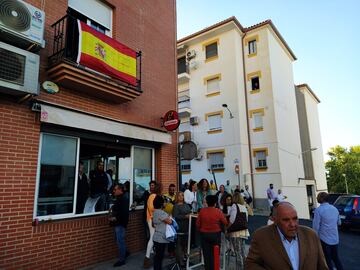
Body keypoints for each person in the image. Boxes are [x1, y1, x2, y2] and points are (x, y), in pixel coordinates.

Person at [245, 202, 328, 270]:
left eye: (295, 218)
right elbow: (250, 264)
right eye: (286, 220)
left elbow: (322, 266)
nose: (292, 224)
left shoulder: (311, 235)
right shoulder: (261, 237)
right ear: (275, 220)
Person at [313, 192, 344, 270]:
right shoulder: (334, 209)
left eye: (318, 197)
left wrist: (314, 238)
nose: (317, 198)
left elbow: (316, 227)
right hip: (335, 239)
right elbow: (339, 223)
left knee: (327, 259)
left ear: (321, 199)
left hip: (324, 239)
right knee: (336, 258)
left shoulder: (318, 210)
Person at [196, 195, 228, 270]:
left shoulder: (202, 211)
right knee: (215, 254)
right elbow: (225, 222)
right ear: (215, 203)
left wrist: (201, 229)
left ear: (206, 202)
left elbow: (197, 224)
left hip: (204, 234)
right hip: (216, 234)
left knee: (206, 254)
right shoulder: (218, 211)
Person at [227, 192, 250, 270]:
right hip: (244, 231)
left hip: (236, 232)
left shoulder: (234, 206)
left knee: (237, 252)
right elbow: (246, 219)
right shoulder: (244, 207)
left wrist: (227, 228)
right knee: (243, 251)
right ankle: (246, 267)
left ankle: (239, 268)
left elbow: (232, 220)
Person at [110, 184, 130, 267]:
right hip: (118, 223)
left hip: (120, 224)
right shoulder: (119, 199)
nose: (114, 191)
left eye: (115, 189)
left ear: (120, 190)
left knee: (120, 241)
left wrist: (115, 218)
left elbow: (124, 213)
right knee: (118, 239)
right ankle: (125, 252)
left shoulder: (123, 199)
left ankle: (122, 259)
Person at [152, 195, 173, 270]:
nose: (165, 203)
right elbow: (170, 222)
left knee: (158, 257)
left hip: (157, 237)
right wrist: (169, 216)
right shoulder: (160, 213)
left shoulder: (155, 212)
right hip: (160, 238)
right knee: (159, 257)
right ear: (161, 203)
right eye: (164, 202)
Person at [143, 183, 161, 268]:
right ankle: (147, 258)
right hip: (152, 219)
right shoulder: (152, 196)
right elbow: (151, 208)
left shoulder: (153, 195)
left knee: (153, 237)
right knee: (152, 238)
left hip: (152, 218)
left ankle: (150, 254)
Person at [172, 191, 192, 268]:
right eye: (179, 195)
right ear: (177, 197)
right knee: (179, 245)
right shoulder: (176, 206)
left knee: (185, 245)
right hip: (179, 227)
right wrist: (185, 216)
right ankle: (179, 261)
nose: (181, 197)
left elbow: (190, 212)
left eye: (182, 195)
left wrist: (190, 214)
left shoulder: (186, 205)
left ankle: (185, 259)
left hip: (187, 227)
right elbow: (175, 216)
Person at [163, 184, 176, 257]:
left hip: (173, 217)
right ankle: (167, 251)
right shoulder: (165, 196)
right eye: (171, 189)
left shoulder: (176, 196)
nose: (172, 191)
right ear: (168, 189)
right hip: (166, 217)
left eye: (173, 189)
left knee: (172, 235)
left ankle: (171, 251)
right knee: (166, 235)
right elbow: (163, 206)